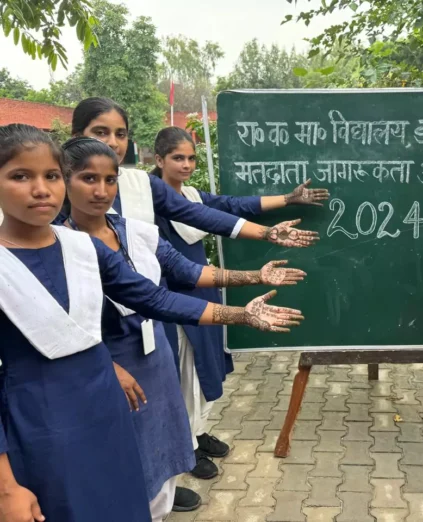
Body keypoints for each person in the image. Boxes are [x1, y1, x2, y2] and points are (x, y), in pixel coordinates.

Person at [60, 135, 306, 521]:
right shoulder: (59, 243)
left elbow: (182, 276)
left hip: (152, 357)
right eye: (88, 179)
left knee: (160, 456)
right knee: (114, 468)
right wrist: (104, 365)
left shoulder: (132, 230)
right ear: (64, 179)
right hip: (103, 371)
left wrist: (254, 279)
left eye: (110, 180)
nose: (102, 190)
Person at [151, 127, 327, 480]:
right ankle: (184, 448)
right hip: (174, 298)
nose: (186, 165)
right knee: (184, 373)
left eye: (191, 158)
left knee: (203, 372)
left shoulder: (191, 196)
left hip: (204, 289)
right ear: (158, 160)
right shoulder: (148, 205)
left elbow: (232, 207)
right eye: (177, 158)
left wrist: (288, 200)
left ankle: (196, 431)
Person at [0, 123, 149, 521]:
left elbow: (147, 296)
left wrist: (236, 312)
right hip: (42, 426)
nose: (41, 189)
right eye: (20, 176)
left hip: (105, 413)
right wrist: (6, 488)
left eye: (51, 176)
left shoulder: (80, 246)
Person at [70, 97, 319, 249]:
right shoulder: (55, 192)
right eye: (101, 132)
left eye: (121, 134)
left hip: (148, 309)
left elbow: (209, 211)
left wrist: (271, 226)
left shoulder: (143, 186)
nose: (113, 143)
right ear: (77, 136)